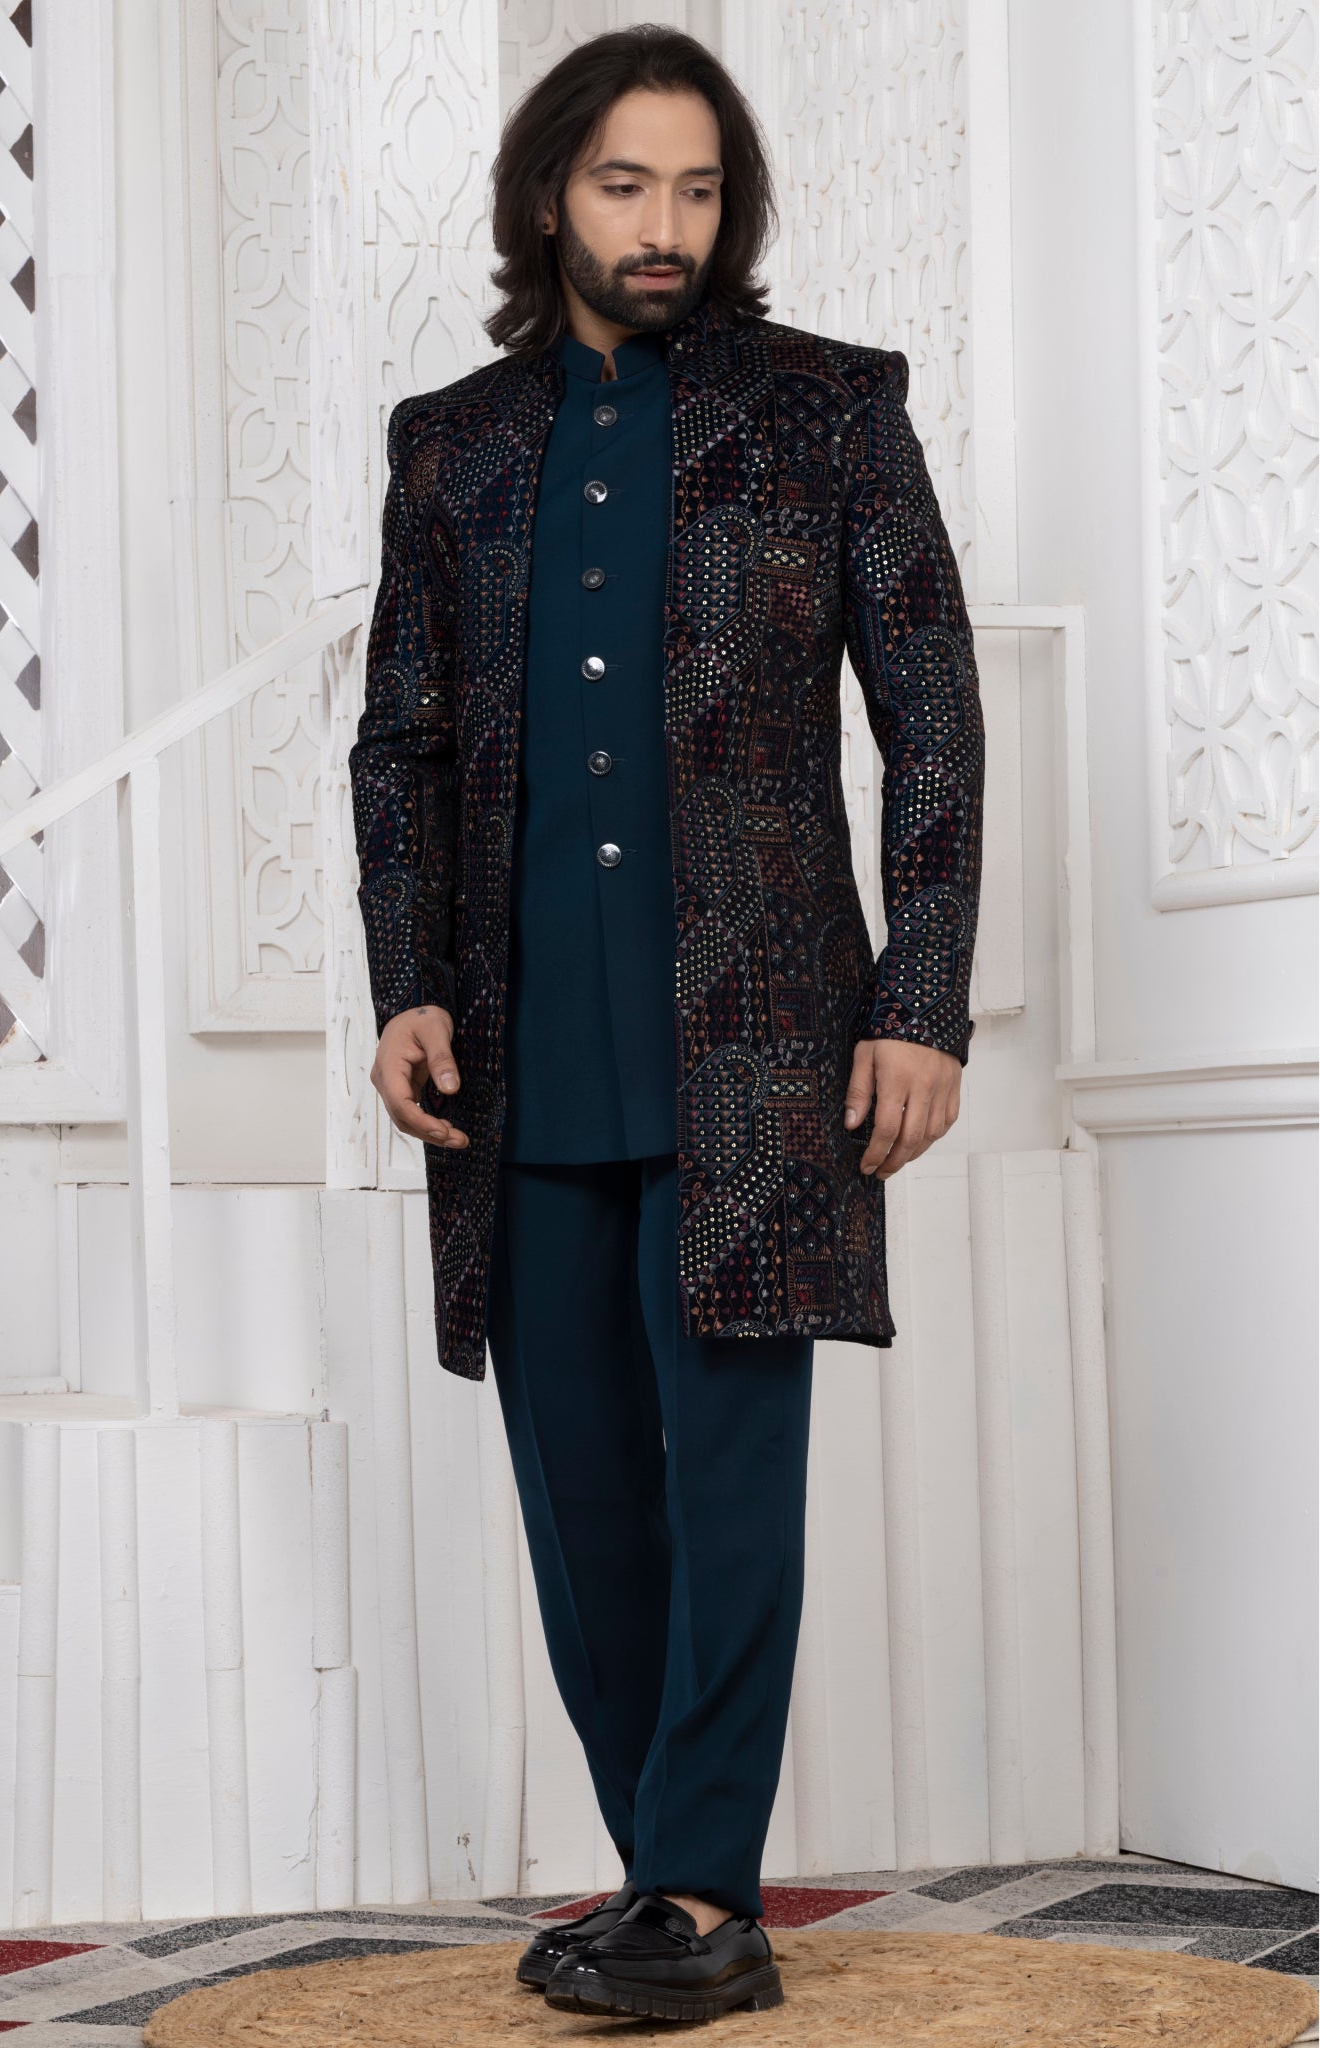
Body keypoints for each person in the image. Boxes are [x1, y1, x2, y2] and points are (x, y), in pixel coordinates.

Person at [348, 25, 983, 2024]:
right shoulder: (451, 446)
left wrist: (920, 1001)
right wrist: (404, 979)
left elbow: (932, 719)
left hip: (760, 1044)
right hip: (521, 1049)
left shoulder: (829, 413)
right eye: (626, 184)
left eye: (699, 190)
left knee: (725, 1483)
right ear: (549, 194)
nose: (664, 226)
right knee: (580, 1495)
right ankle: (664, 1881)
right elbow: (401, 743)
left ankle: (702, 1892)